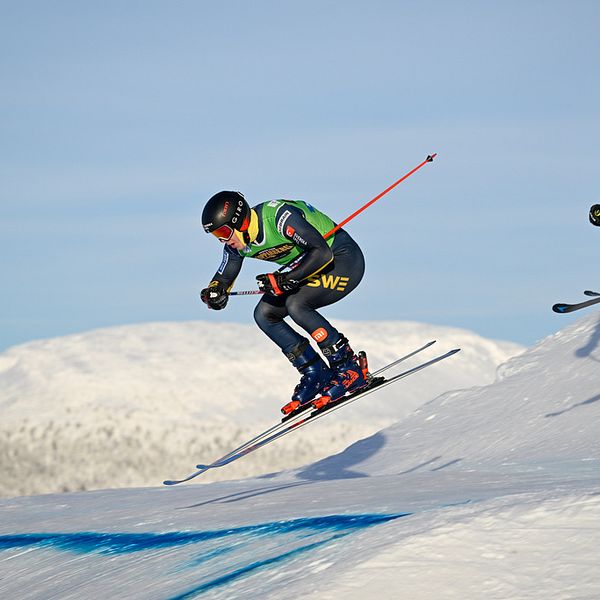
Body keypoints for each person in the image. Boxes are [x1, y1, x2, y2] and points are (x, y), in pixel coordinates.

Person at [200, 190, 369, 415]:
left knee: (296, 304)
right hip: (308, 268)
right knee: (264, 313)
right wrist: (215, 292)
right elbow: (224, 276)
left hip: (342, 259)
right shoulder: (236, 242)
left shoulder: (279, 217)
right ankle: (315, 372)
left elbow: (321, 254)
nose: (222, 239)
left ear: (239, 221)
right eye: (216, 236)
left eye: (223, 232)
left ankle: (348, 367)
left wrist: (286, 279)